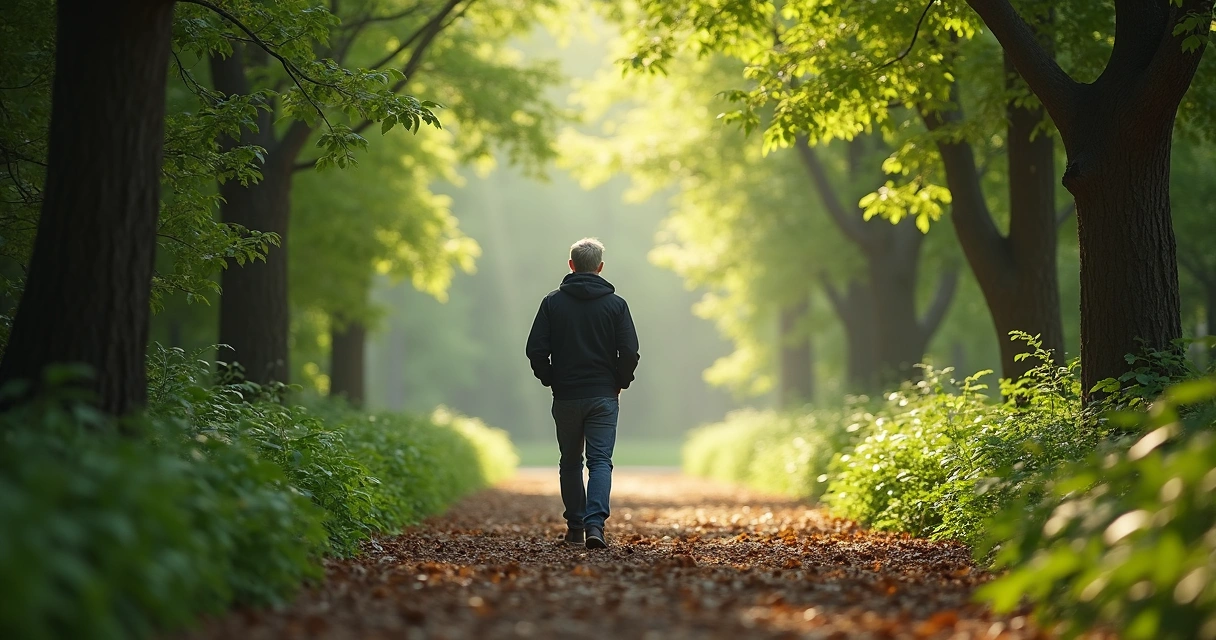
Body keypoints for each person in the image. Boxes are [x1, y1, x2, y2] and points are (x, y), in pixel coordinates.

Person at [525, 237, 640, 550]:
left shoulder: (552, 303)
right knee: (600, 461)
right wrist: (620, 381)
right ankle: (595, 525)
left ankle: (575, 527)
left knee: (570, 462)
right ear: (600, 267)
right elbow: (629, 351)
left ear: (571, 265)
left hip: (566, 395)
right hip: (603, 395)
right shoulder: (616, 305)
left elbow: (535, 349)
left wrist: (550, 378)